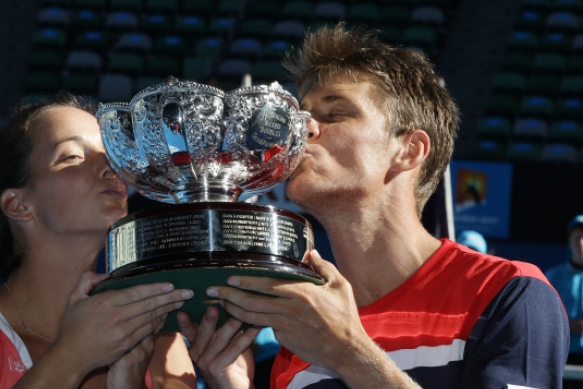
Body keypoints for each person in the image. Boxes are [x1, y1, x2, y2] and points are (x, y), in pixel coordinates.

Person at [176, 23, 569, 389]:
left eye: (335, 113)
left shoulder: (508, 293)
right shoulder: (300, 329)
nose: (304, 129)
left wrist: (349, 353)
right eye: (303, 116)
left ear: (409, 150)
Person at [0, 92, 197, 389]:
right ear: (18, 205)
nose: (110, 168)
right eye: (73, 156)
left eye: (111, 155)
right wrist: (73, 357)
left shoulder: (160, 344)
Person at [546, 214, 583, 387]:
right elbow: (542, 318)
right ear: (570, 241)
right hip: (561, 357)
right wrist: (568, 325)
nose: (581, 243)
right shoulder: (554, 276)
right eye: (578, 237)